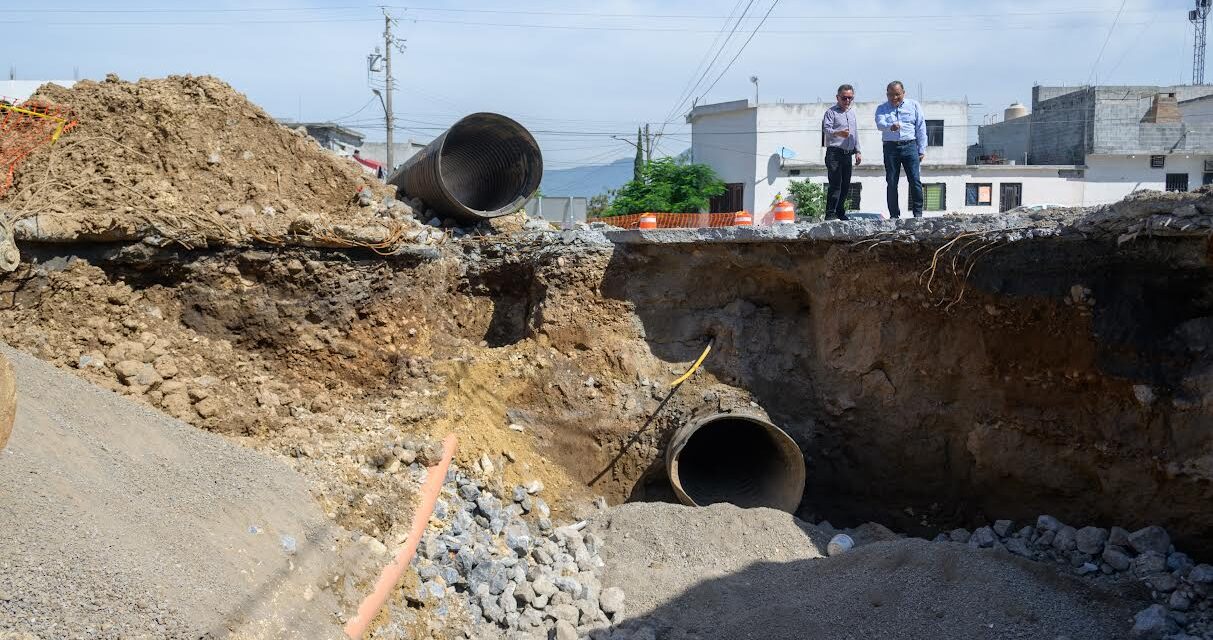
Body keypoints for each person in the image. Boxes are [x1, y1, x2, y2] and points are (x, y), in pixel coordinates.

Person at [875, 80, 927, 218]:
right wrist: (890, 126)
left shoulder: (914, 105)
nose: (894, 98)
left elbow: (921, 127)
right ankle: (894, 215)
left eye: (897, 94)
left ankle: (918, 213)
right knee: (892, 181)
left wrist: (921, 149)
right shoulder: (882, 108)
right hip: (891, 147)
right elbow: (880, 124)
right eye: (891, 95)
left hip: (910, 146)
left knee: (915, 179)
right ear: (887, 95)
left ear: (903, 93)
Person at [821, 84, 862, 221]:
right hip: (834, 153)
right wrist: (838, 132)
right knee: (835, 184)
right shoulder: (831, 112)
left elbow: (855, 134)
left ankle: (840, 211)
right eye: (844, 98)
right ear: (837, 97)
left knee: (845, 185)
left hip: (847, 154)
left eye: (850, 98)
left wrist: (858, 151)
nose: (847, 101)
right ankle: (830, 213)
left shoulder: (851, 114)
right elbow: (826, 129)